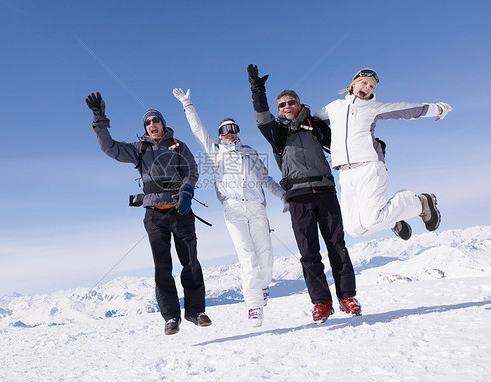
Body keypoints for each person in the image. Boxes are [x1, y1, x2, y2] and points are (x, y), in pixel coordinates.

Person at [85, 92, 212, 336]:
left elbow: (192, 171)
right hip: (154, 215)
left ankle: (195, 311)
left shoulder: (178, 146)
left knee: (191, 262)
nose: (152, 124)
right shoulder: (138, 149)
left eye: (155, 120)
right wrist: (99, 120)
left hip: (180, 209)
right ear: (145, 128)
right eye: (147, 122)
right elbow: (109, 148)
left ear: (163, 123)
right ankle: (171, 317)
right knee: (162, 266)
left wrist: (187, 191)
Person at [247, 65, 360, 324]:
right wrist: (257, 89)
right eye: (282, 104)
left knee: (337, 246)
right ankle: (321, 302)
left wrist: (372, 145)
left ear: (299, 104)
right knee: (309, 252)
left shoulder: (316, 125)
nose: (287, 106)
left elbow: (343, 143)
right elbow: (261, 116)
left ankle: (347, 297)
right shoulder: (277, 133)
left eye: (291, 102)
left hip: (325, 191)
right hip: (298, 197)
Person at [173, 88, 285, 327]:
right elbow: (198, 131)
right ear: (219, 134)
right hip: (233, 210)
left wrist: (285, 197)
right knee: (247, 256)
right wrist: (188, 105)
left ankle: (263, 286)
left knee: (265, 256)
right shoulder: (215, 154)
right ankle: (253, 306)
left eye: (233, 128)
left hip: (256, 207)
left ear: (238, 132)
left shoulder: (250, 153)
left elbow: (266, 180)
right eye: (224, 129)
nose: (229, 133)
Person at [314, 68, 452, 240]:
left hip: (369, 166)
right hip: (344, 172)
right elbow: (312, 123)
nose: (368, 88)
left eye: (372, 86)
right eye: (364, 83)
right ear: (354, 83)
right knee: (354, 229)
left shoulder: (373, 109)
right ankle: (392, 220)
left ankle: (421, 202)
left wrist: (437, 109)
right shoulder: (334, 107)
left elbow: (406, 110)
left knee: (372, 220)